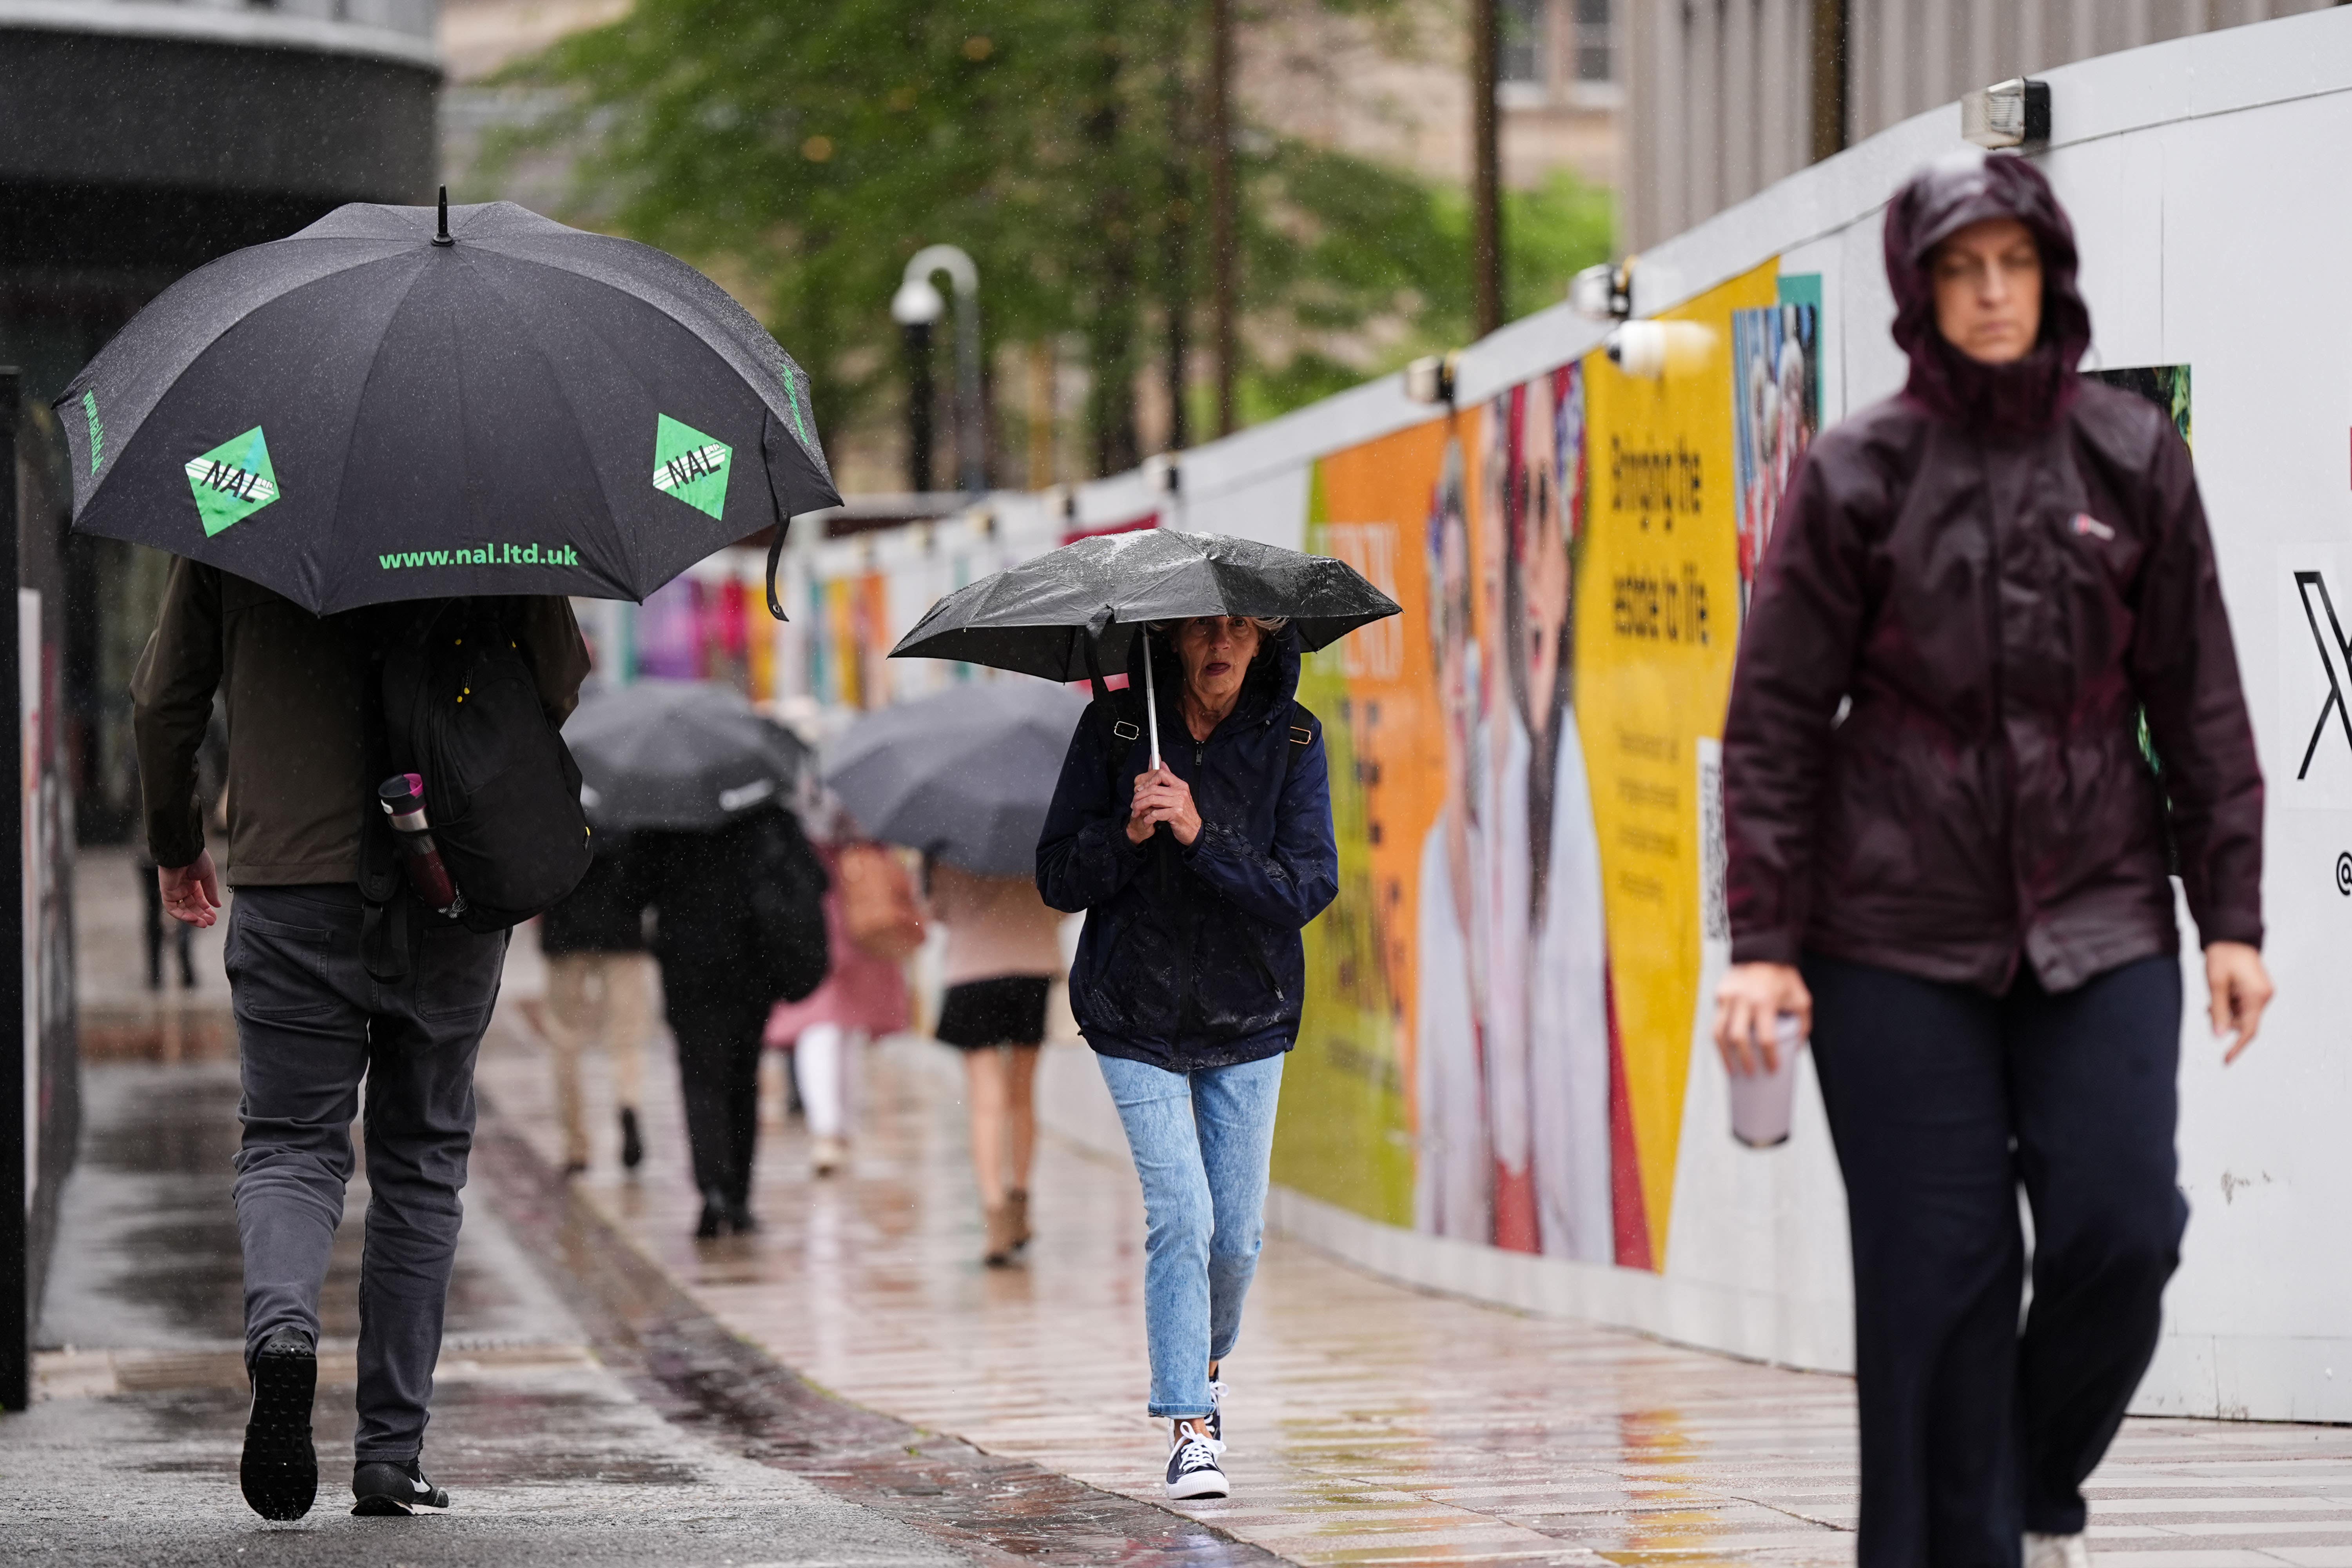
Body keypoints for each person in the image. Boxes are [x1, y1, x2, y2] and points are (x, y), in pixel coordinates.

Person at [1715, 149, 2272, 1568]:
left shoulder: (2131, 455)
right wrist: (1766, 940)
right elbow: (1774, 718)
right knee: (1936, 1278)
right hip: (1891, 928)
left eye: (2011, 263)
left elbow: (2196, 694)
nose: (1988, 292)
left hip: (2097, 909)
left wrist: (2231, 913)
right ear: (1920, 289)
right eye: (1959, 270)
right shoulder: (1855, 470)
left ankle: (2022, 1475)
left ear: (2050, 272)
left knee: (2119, 1227)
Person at [134, 564, 587, 1521]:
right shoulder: (492, 494)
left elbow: (162, 698)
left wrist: (176, 842)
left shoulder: (238, 501)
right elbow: (557, 677)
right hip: (448, 879)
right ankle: (389, 1453)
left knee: (292, 1141)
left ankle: (286, 1335)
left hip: (291, 879)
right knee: (422, 1159)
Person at [1037, 614, 1337, 1503]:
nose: (1220, 644)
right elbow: (1057, 876)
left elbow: (1305, 887)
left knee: (1236, 1236)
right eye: (1203, 629)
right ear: (1170, 640)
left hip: (1251, 1012)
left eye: (1238, 630)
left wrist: (1203, 834)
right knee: (1182, 1212)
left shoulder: (1293, 737)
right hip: (1132, 1012)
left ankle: (1205, 1361)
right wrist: (1126, 836)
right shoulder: (1117, 730)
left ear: (1264, 639)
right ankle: (1190, 1427)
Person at [637, 799, 828, 1238]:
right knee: (743, 1078)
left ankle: (713, 1189)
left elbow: (633, 887)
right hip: (751, 965)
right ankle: (739, 1195)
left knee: (701, 1079)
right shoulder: (764, 810)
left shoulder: (664, 815)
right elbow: (814, 878)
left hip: (689, 969)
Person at [925, 858, 1067, 1265]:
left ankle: (996, 1217)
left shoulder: (947, 837)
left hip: (972, 970)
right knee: (1023, 1094)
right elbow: (1065, 901)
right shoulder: (1038, 828)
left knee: (987, 1100)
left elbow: (936, 912)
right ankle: (1020, 1202)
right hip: (1032, 963)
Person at [764, 820, 915, 1177]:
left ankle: (834, 1130)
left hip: (849, 901)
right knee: (830, 1026)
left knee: (838, 1026)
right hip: (841, 900)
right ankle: (832, 1130)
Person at [531, 833, 651, 1176]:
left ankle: (576, 1146)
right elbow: (648, 866)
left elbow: (535, 865)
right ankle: (629, 1102)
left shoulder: (552, 792)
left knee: (565, 1040)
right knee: (627, 1036)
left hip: (564, 929)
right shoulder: (630, 795)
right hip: (622, 930)